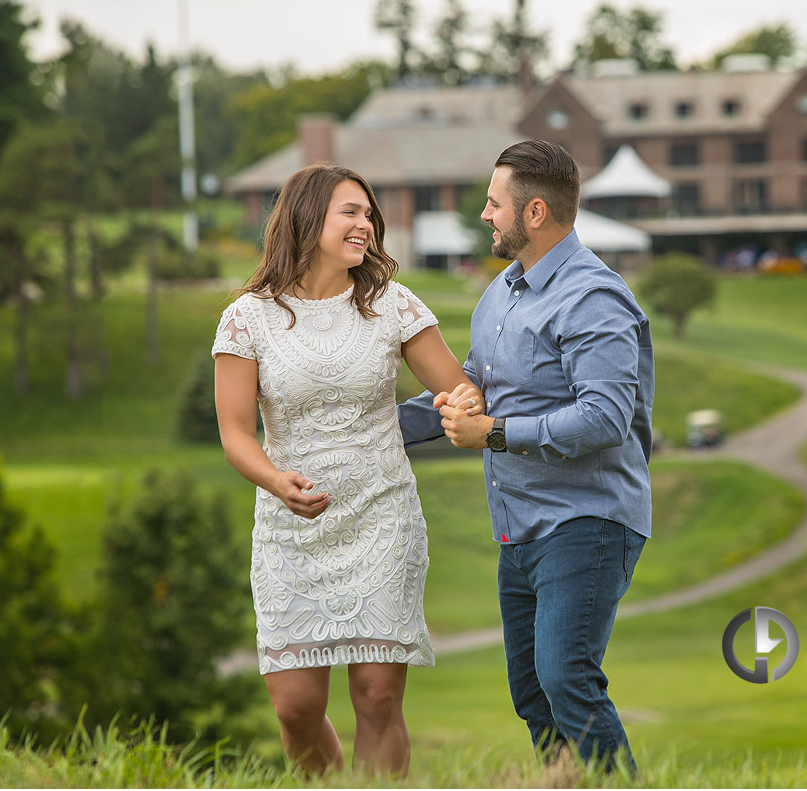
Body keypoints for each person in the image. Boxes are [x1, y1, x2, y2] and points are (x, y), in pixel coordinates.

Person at [212, 164, 480, 777]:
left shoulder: (392, 304)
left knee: (378, 697)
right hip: (292, 528)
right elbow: (234, 433)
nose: (365, 224)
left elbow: (459, 389)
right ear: (307, 219)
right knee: (295, 707)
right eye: (350, 212)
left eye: (368, 213)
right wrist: (277, 482)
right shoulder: (247, 318)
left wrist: (463, 404)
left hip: (381, 517)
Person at [398, 140, 655, 771]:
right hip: (520, 527)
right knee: (534, 695)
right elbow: (464, 393)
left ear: (534, 212)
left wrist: (492, 433)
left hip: (587, 519)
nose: (485, 215)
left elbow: (605, 418)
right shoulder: (501, 295)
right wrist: (357, 431)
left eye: (493, 203)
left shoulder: (593, 297)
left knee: (566, 676)